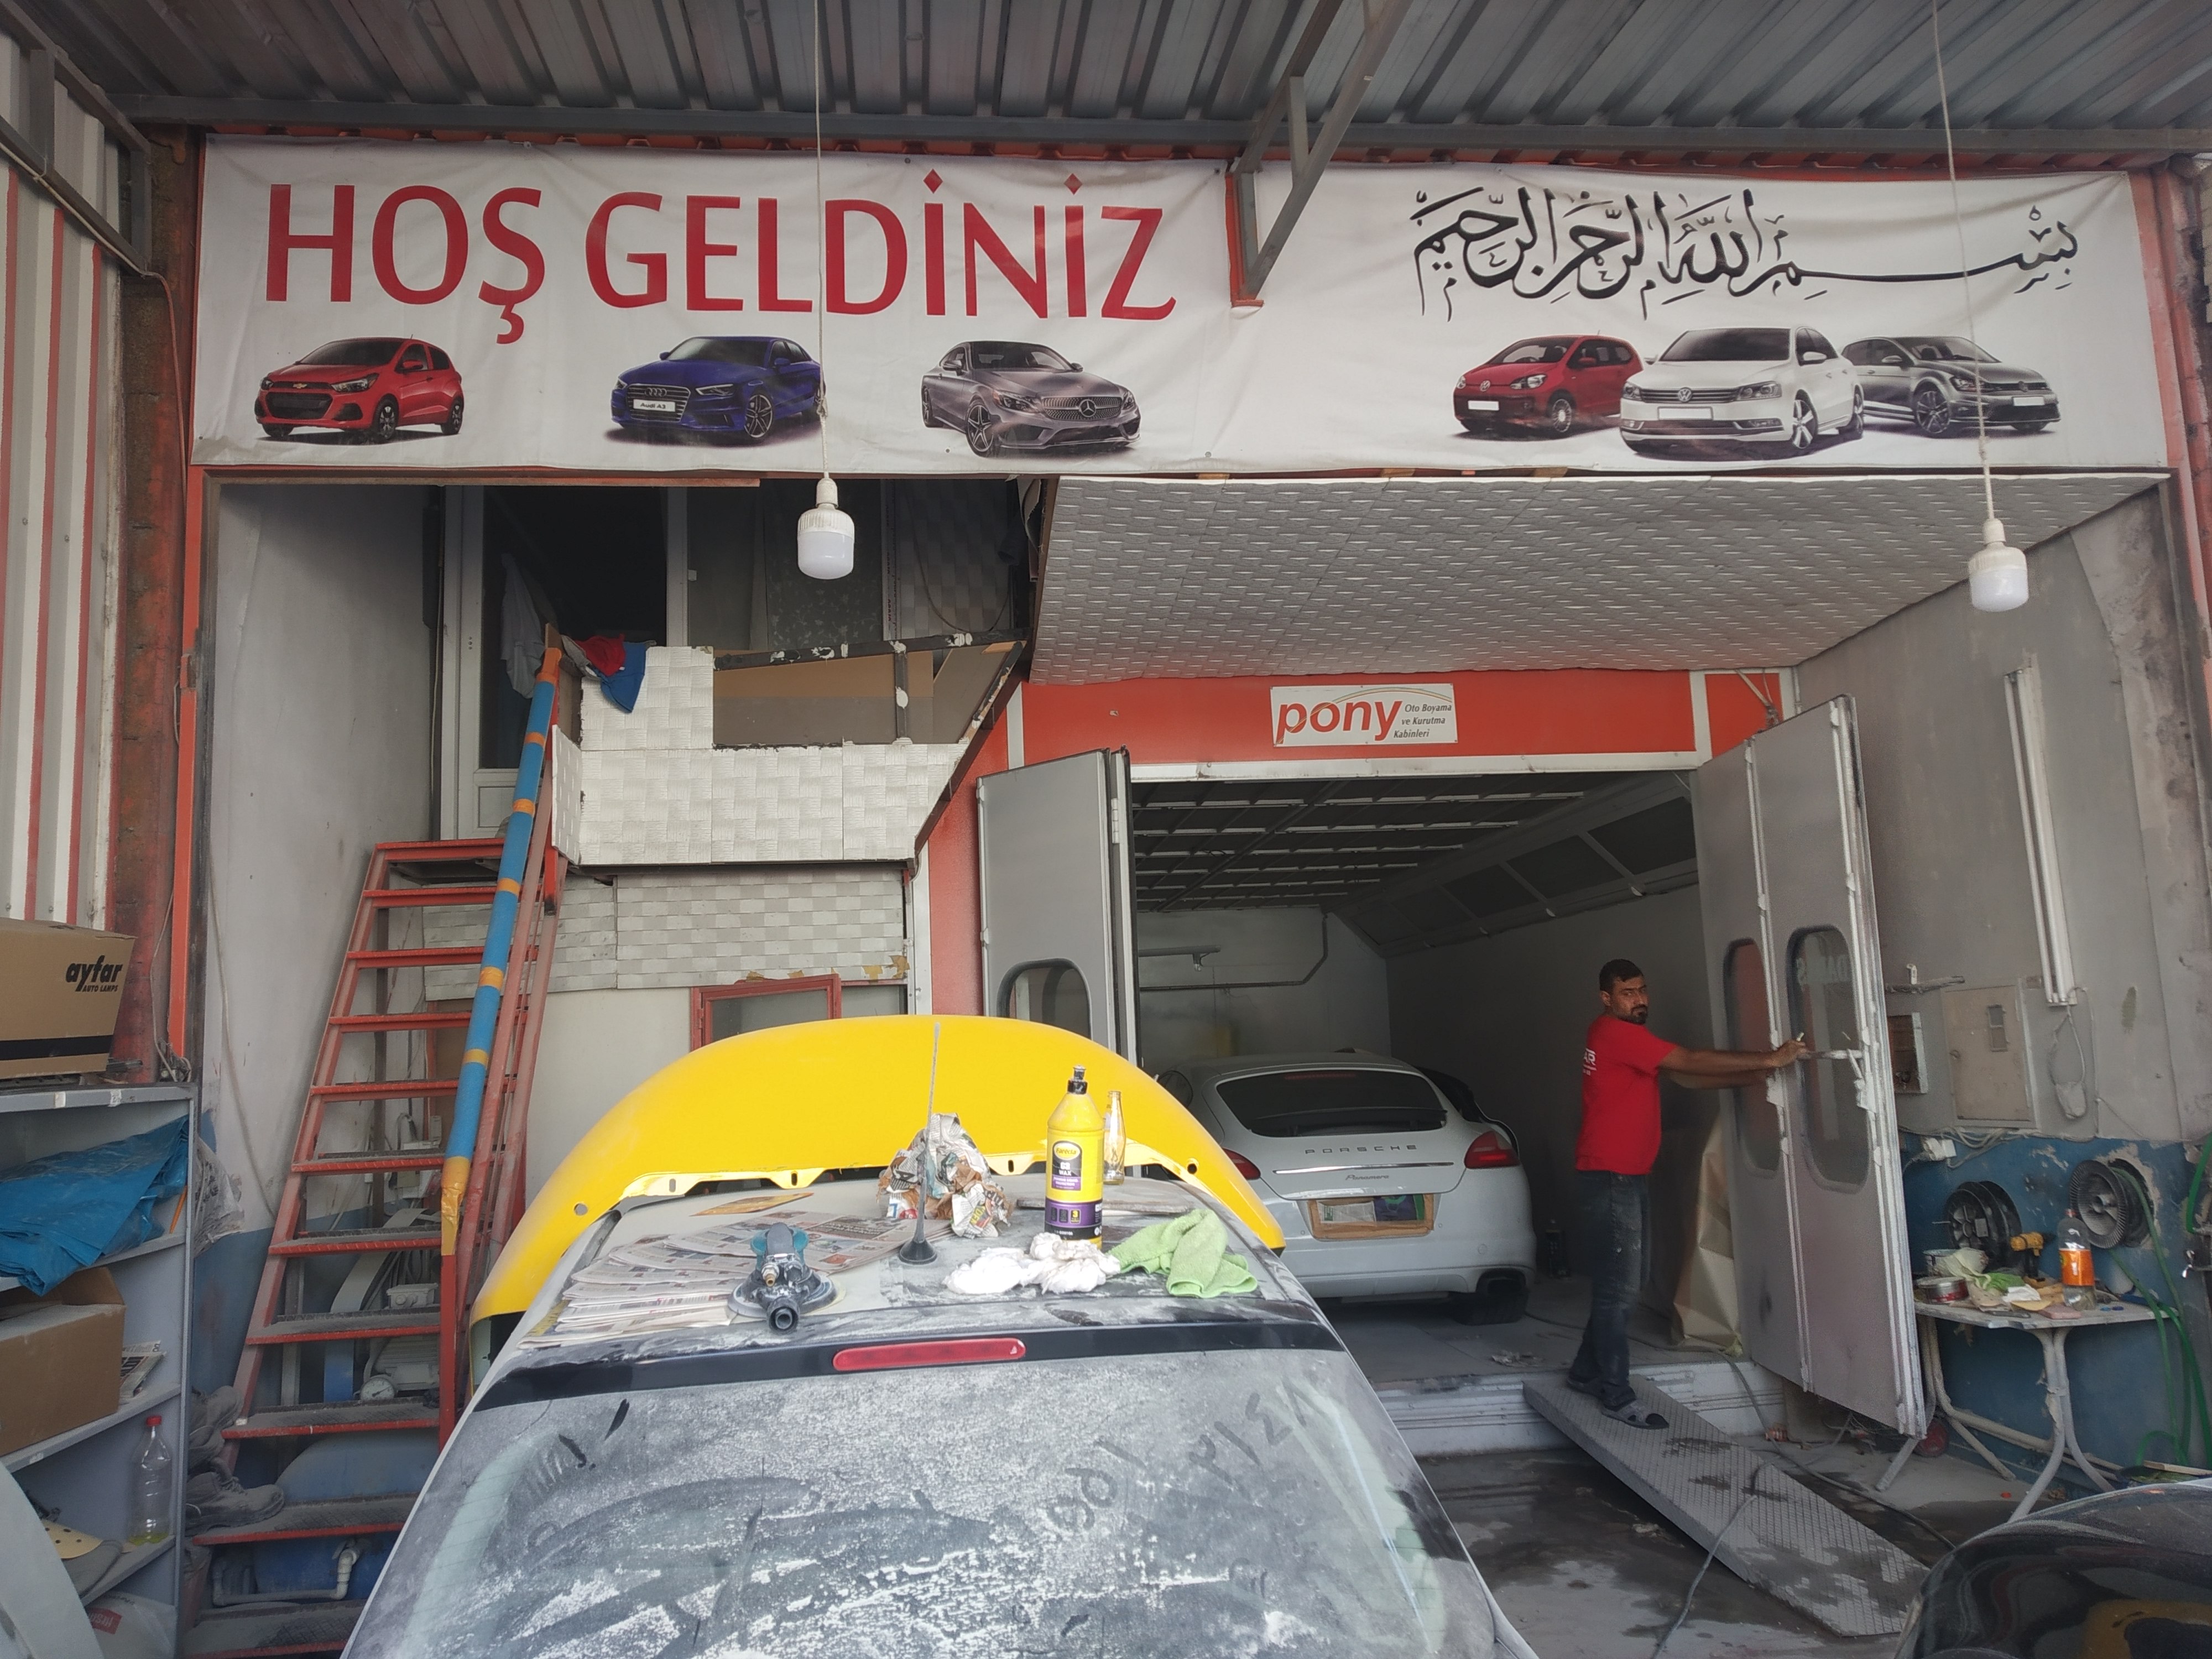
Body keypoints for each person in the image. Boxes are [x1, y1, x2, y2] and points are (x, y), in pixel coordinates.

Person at [1569, 957, 1805, 1428]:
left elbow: (1685, 1076)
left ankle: (1584, 1371)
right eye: (1628, 993)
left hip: (1625, 1175)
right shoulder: (1616, 1034)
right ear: (1606, 999)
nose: (1640, 1000)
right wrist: (1770, 1058)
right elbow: (1690, 1062)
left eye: (1642, 990)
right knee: (1620, 1291)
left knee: (1626, 1282)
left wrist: (1756, 1076)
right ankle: (1617, 1396)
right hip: (1612, 1178)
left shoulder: (1621, 1038)